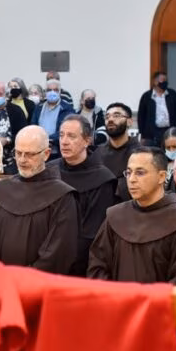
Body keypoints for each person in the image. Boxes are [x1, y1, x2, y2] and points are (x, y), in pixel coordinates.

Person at [88, 144, 176, 287]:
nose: (131, 179)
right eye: (129, 172)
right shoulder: (115, 216)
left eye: (140, 173)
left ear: (162, 176)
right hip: (116, 304)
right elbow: (97, 266)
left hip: (157, 307)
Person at [0, 125, 78, 275]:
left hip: (36, 285)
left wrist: (26, 279)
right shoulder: (0, 190)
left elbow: (58, 250)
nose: (22, 160)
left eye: (30, 154)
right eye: (18, 153)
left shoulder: (62, 196)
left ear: (46, 154)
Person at [50, 115, 116, 276]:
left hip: (81, 263)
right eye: (61, 135)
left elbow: (93, 231)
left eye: (71, 136)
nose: (64, 141)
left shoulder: (102, 178)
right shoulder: (49, 171)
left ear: (87, 141)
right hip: (46, 258)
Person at [96, 102, 137, 202]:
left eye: (116, 116)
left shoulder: (140, 153)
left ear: (129, 122)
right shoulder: (97, 153)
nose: (110, 119)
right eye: (107, 116)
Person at [0, 81, 27, 174]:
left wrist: (8, 140)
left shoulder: (16, 110)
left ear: (6, 94)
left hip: (12, 160)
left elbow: (23, 133)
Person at [137, 70, 176, 146]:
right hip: (151, 134)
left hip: (168, 131)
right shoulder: (147, 96)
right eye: (162, 80)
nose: (165, 82)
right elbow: (141, 116)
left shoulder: (173, 94)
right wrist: (142, 135)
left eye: (166, 80)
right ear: (155, 82)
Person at [31, 78, 76, 152]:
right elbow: (33, 125)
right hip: (39, 149)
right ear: (45, 92)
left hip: (57, 151)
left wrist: (47, 139)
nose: (52, 92)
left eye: (55, 90)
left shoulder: (67, 108)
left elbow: (67, 129)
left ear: (59, 92)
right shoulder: (39, 107)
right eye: (49, 90)